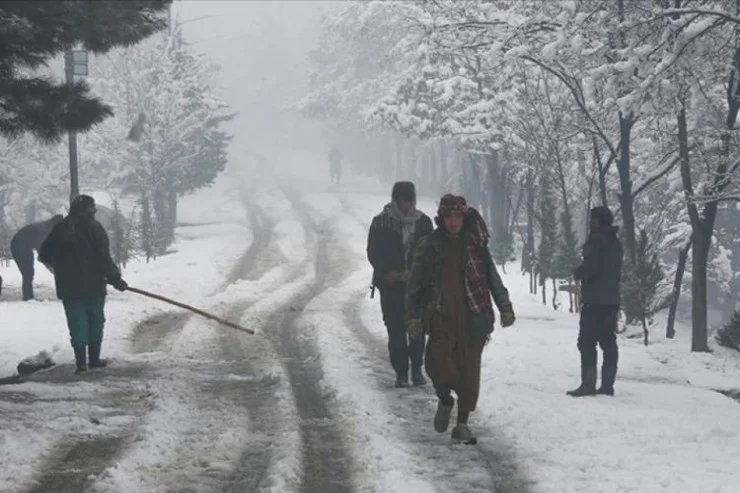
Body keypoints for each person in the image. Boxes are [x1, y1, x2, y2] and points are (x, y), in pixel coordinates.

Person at [405, 194, 515, 442]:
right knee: (436, 364)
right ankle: (445, 398)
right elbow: (415, 285)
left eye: (457, 217)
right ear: (441, 219)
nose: (453, 222)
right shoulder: (429, 246)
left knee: (469, 371)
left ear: (463, 218)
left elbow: (492, 278)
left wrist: (505, 307)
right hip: (441, 317)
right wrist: (412, 317)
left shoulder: (476, 245)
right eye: (448, 217)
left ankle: (463, 423)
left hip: (473, 317)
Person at [38, 195, 128, 375]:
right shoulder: (94, 228)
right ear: (90, 210)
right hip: (93, 286)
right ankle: (94, 360)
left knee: (77, 323)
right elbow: (103, 258)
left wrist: (56, 266)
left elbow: (44, 253)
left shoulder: (60, 228)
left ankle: (81, 363)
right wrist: (115, 278)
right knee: (95, 321)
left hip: (68, 288)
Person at [368, 181, 433, 388]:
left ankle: (416, 368)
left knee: (417, 329)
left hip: (417, 287)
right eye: (401, 200)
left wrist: (415, 273)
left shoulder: (424, 223)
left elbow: (430, 252)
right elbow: (373, 252)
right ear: (394, 199)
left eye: (408, 200)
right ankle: (401, 372)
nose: (405, 205)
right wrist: (388, 273)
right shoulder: (381, 222)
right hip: (390, 287)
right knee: (395, 330)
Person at [568, 205, 623, 397]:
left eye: (593, 218)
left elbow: (591, 269)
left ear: (599, 221)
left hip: (594, 301)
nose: (590, 221)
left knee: (586, 341)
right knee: (608, 341)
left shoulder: (595, 241)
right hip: (611, 301)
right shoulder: (616, 243)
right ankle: (608, 385)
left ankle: (588, 384)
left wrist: (578, 271)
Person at [10, 214, 63, 300]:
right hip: (19, 246)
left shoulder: (47, 227)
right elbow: (42, 250)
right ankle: (28, 297)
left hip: (24, 246)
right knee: (28, 272)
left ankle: (28, 296)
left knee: (29, 272)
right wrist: (50, 265)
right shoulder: (43, 230)